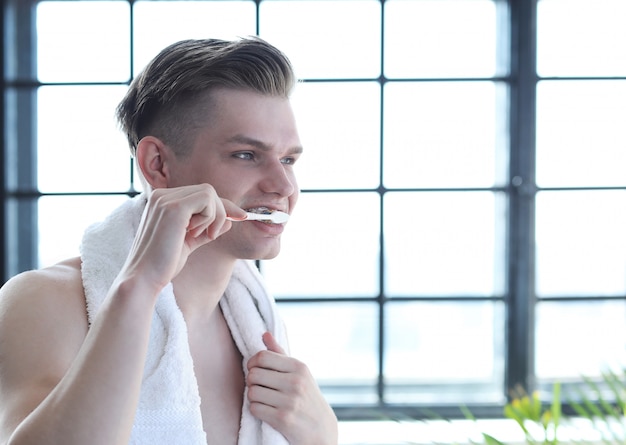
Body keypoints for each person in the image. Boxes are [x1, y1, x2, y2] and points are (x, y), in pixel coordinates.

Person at [0, 37, 338, 445]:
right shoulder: (44, 302)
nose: (283, 185)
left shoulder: (256, 322)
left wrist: (322, 436)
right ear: (157, 165)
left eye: (288, 160)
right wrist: (140, 286)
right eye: (246, 154)